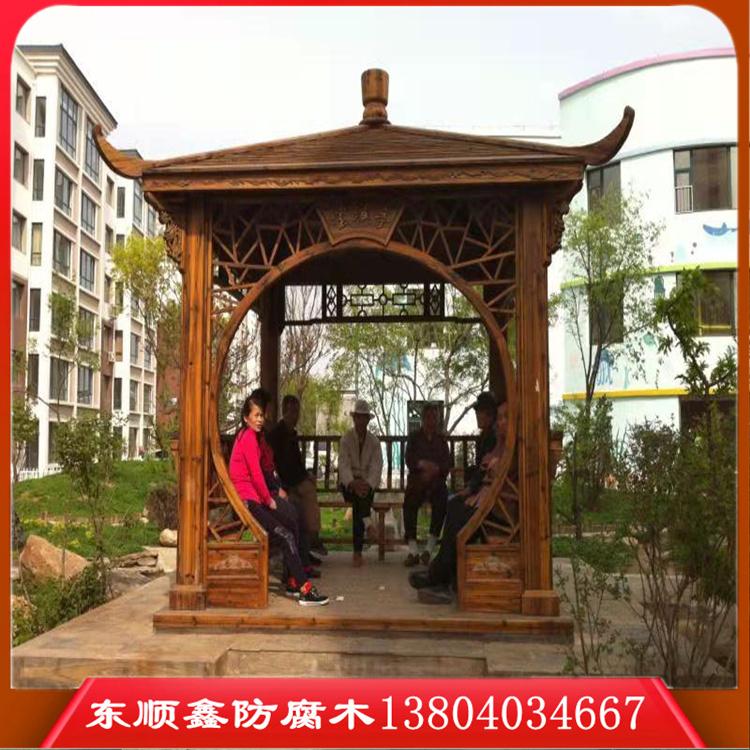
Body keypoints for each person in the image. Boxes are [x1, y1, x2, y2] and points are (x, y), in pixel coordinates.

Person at [229, 392, 328, 606]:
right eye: (256, 415)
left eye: (261, 415)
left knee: (291, 521)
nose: (260, 419)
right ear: (246, 418)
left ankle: (294, 581)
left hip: (255, 498)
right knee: (286, 534)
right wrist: (269, 499)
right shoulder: (248, 437)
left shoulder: (251, 436)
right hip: (249, 501)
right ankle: (304, 588)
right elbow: (256, 474)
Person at [409, 393, 509, 604]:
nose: (477, 416)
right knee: (451, 505)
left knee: (451, 505)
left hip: (491, 503)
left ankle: (439, 573)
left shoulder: (500, 442)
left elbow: (488, 474)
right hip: (421, 484)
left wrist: (472, 488)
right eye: (499, 418)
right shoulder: (490, 439)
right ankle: (439, 570)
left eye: (503, 418)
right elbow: (411, 460)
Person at [269, 394, 327, 556]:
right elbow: (279, 465)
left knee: (309, 490)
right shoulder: (277, 435)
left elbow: (297, 464)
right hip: (284, 483)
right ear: (284, 412)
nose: (295, 416)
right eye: (292, 412)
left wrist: (306, 475)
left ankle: (310, 542)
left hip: (295, 480)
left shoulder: (292, 434)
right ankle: (311, 540)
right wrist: (289, 483)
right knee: (304, 495)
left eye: (297, 412)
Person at [403, 403, 450, 567]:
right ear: (423, 419)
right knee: (409, 500)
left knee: (442, 498)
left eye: (434, 418)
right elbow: (409, 459)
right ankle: (413, 551)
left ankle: (429, 550)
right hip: (418, 480)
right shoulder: (414, 438)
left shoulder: (441, 440)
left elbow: (446, 464)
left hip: (436, 482)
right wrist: (421, 464)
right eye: (428, 417)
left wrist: (436, 469)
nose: (431, 421)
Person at [338, 399, 382, 567]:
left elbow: (376, 467)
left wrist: (367, 484)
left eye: (364, 417)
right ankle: (368, 524)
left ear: (368, 420)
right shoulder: (346, 439)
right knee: (360, 499)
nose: (361, 420)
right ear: (354, 418)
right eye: (358, 417)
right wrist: (352, 483)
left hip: (366, 485)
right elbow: (343, 466)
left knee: (359, 501)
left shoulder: (374, 442)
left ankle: (357, 553)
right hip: (349, 484)